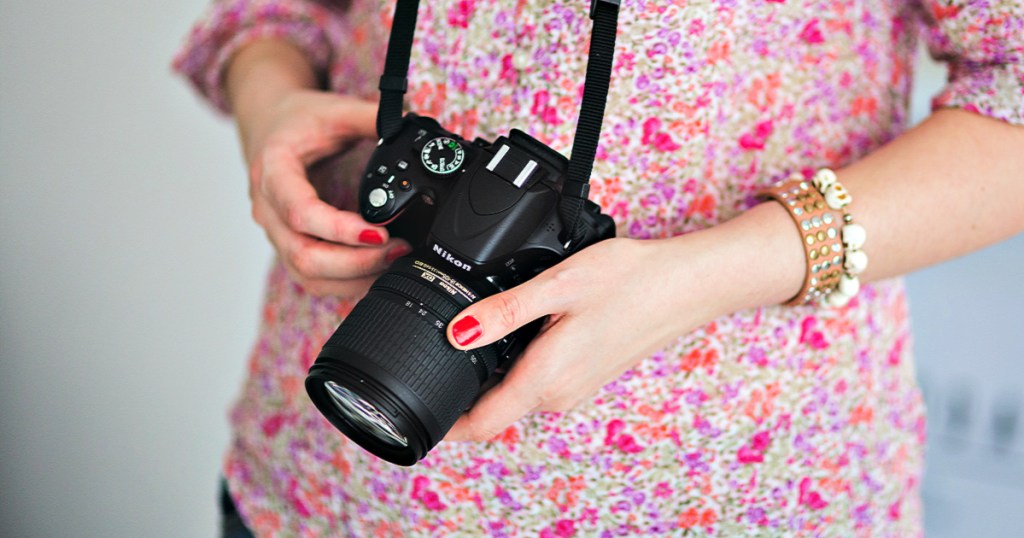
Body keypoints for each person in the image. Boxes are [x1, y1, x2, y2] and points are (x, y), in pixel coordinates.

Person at [174, 0, 1024, 535]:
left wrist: (699, 277)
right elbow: (281, 12)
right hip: (330, 481)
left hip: (737, 491)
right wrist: (275, 107)